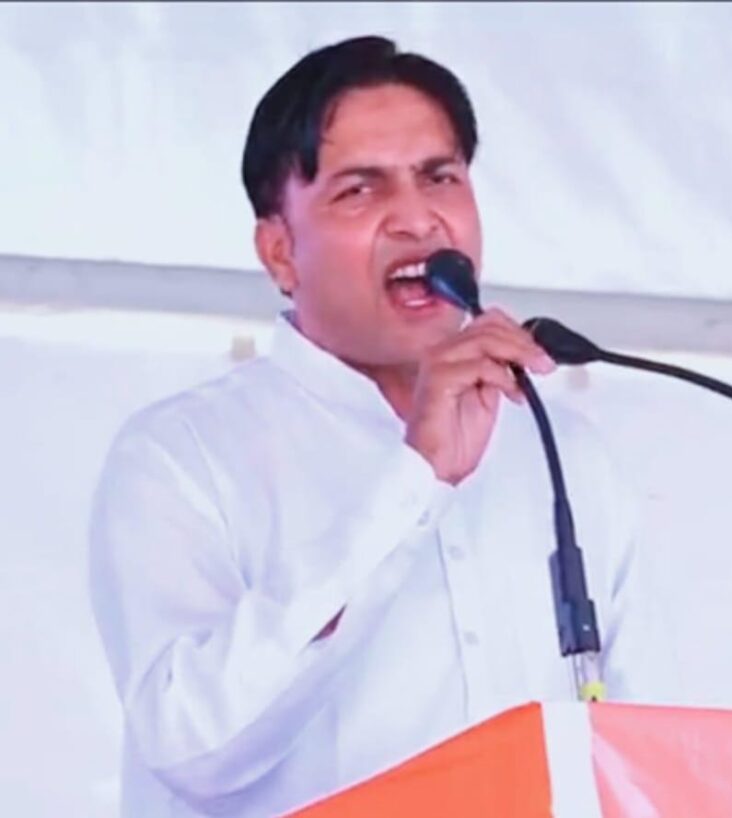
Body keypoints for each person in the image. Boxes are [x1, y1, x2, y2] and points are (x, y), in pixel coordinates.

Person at [89, 35, 677, 818]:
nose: (416, 218)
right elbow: (192, 746)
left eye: (440, 177)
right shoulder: (182, 457)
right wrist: (414, 480)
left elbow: (638, 752)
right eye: (360, 191)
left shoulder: (563, 453)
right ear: (279, 252)